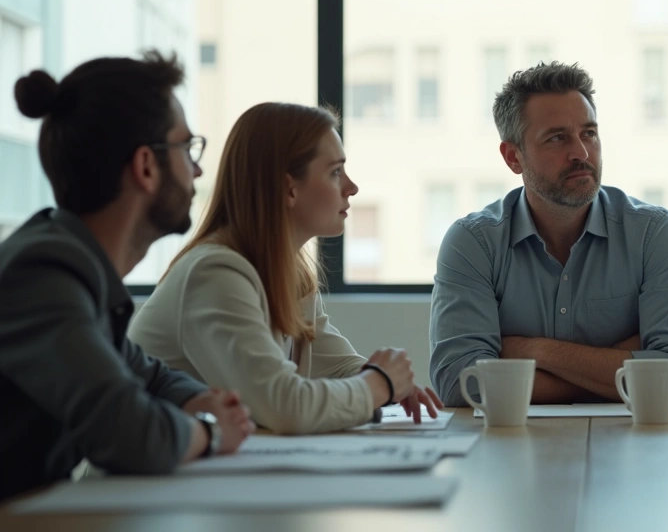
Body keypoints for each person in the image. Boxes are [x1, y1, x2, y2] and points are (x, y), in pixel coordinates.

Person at [0, 52, 254, 502]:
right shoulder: (42, 276)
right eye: (187, 148)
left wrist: (201, 403)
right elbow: (133, 435)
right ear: (146, 166)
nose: (197, 170)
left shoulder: (77, 268)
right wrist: (210, 430)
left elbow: (150, 376)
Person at [129, 102, 441, 434]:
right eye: (335, 172)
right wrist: (379, 385)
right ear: (289, 188)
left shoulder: (291, 275)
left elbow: (334, 367)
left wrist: (389, 387)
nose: (351, 187)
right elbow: (284, 407)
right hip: (144, 483)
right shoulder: (214, 274)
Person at [429, 62, 668, 406]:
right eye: (557, 138)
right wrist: (625, 367)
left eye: (589, 133)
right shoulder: (474, 244)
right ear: (513, 157)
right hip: (511, 451)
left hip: (632, 449)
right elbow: (459, 384)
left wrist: (532, 350)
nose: (580, 153)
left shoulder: (653, 234)